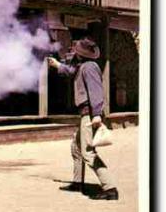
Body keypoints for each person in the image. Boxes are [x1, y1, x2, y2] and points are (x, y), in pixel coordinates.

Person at [47, 37, 118, 201]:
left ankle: (110, 188)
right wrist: (57, 65)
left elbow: (96, 92)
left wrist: (97, 115)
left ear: (80, 54)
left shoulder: (89, 68)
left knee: (87, 152)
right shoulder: (83, 66)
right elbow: (71, 71)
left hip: (90, 114)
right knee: (76, 147)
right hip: (87, 114)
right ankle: (78, 182)